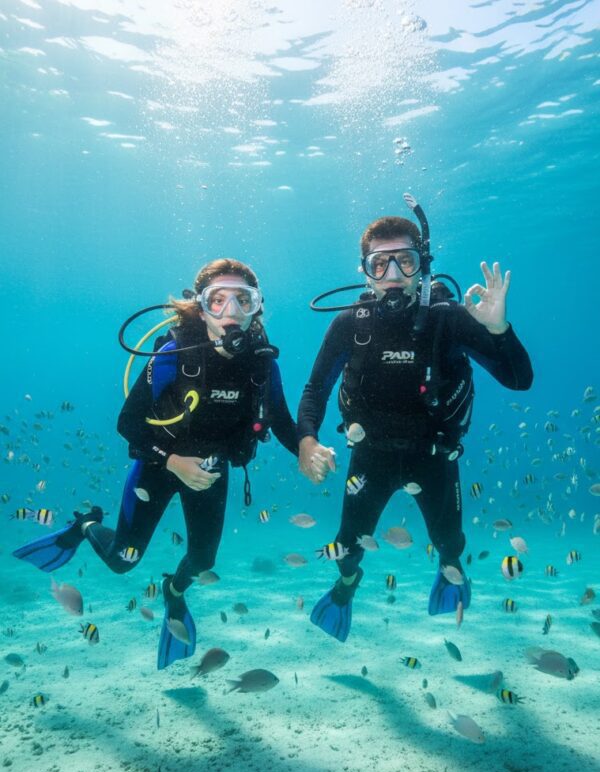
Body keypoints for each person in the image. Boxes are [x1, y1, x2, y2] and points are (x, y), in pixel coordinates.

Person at [14, 258, 298, 668]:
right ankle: (86, 525)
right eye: (217, 300)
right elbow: (128, 423)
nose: (231, 311)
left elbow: (282, 421)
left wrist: (307, 448)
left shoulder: (262, 363)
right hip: (157, 465)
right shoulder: (173, 353)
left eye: (243, 299)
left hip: (209, 472)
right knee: (122, 562)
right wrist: (173, 461)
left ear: (257, 307)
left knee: (203, 562)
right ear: (200, 307)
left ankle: (174, 591)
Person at [297, 196, 533, 642]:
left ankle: (451, 576)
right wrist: (307, 440)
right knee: (347, 546)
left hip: (435, 456)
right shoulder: (350, 324)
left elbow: (519, 380)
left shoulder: (450, 319)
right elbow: (315, 390)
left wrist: (498, 329)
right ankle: (346, 586)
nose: (392, 275)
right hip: (370, 456)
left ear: (422, 265)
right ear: (365, 271)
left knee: (450, 544)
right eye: (379, 263)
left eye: (404, 261)